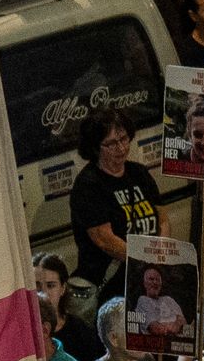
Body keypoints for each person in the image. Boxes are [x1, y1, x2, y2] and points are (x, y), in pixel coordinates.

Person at [67, 108, 165, 299]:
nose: (121, 148)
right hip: (111, 287)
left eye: (124, 139)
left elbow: (162, 219)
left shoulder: (138, 172)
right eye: (111, 143)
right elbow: (105, 240)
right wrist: (146, 260)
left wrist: (161, 253)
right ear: (95, 147)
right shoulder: (88, 185)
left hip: (145, 278)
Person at [34, 253, 104, 361]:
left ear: (62, 288)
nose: (44, 293)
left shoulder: (81, 331)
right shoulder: (20, 332)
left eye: (51, 286)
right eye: (36, 286)